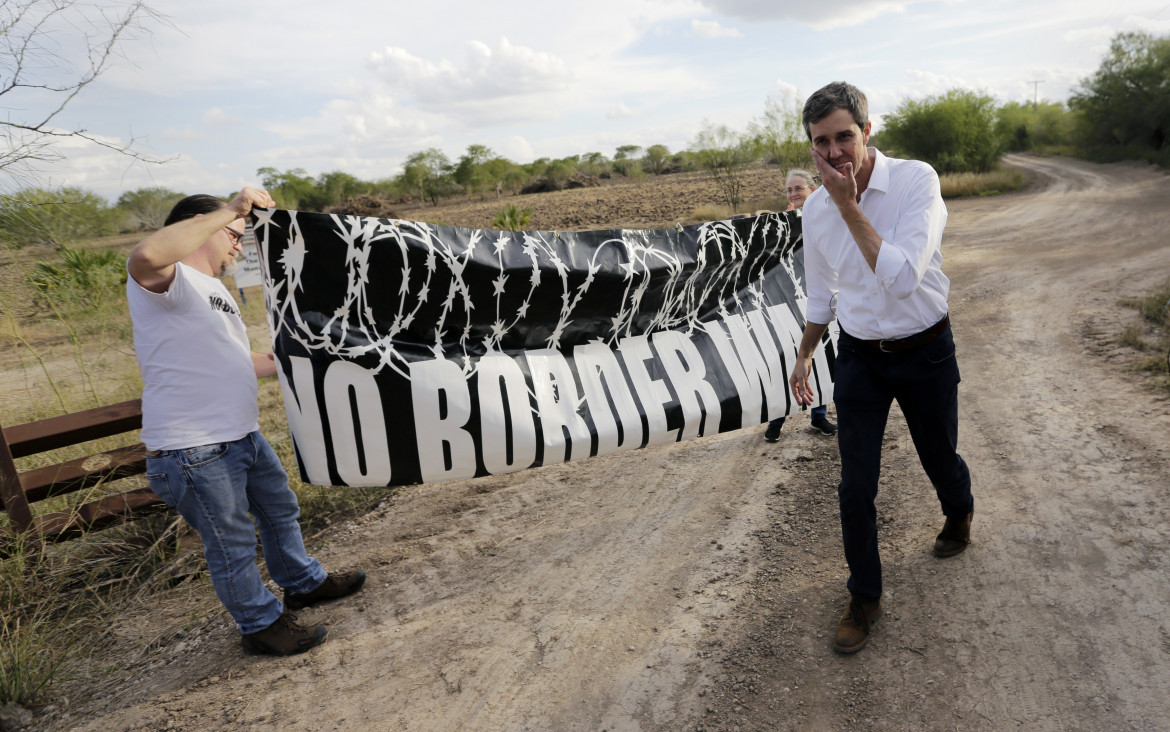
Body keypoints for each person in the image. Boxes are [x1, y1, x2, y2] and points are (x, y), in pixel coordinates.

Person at [127, 188, 366, 656]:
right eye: (236, 234)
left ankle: (302, 582)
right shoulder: (163, 279)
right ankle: (260, 625)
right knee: (231, 543)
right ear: (203, 223)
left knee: (280, 511)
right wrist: (231, 209)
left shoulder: (212, 289)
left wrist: (308, 356)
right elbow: (147, 252)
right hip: (193, 448)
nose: (240, 245)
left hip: (240, 436)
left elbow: (241, 361)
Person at [788, 82, 974, 654]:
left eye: (844, 136)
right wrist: (805, 351)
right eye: (822, 143)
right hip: (862, 357)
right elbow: (821, 294)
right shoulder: (815, 212)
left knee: (937, 454)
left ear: (867, 132)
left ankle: (959, 510)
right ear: (812, 148)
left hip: (925, 349)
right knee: (854, 484)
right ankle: (864, 596)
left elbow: (900, 278)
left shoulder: (917, 181)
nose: (836, 152)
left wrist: (849, 205)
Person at [764, 168, 837, 442]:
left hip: (818, 300)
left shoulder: (828, 217)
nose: (794, 194)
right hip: (786, 303)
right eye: (789, 190)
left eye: (799, 188)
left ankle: (819, 417)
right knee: (783, 359)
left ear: (813, 190)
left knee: (819, 358)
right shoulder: (780, 225)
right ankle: (776, 420)